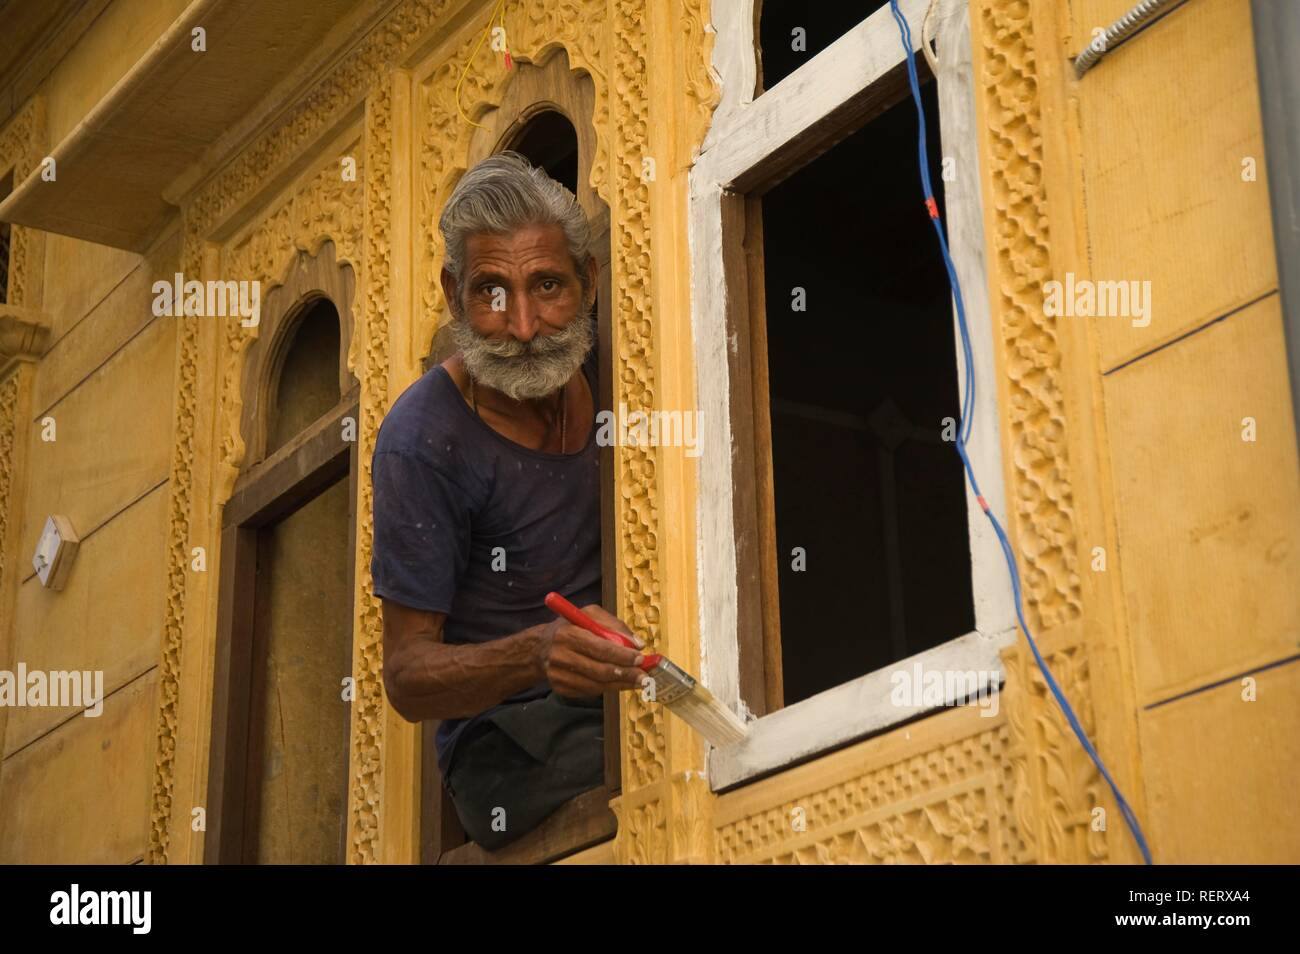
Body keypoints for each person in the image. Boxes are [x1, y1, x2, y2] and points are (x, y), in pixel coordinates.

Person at [371, 151, 644, 851]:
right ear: (453, 293)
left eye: (547, 286)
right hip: (506, 743)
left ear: (589, 281)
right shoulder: (423, 441)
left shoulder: (628, 360)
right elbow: (405, 676)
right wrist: (537, 655)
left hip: (621, 690)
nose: (523, 327)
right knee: (645, 759)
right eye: (492, 293)